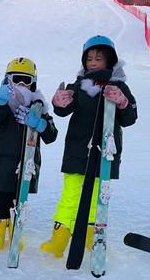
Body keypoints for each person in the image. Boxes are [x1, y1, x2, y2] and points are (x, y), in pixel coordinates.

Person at [40, 35, 138, 258]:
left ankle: (90, 237)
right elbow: (64, 110)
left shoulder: (119, 86)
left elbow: (130, 117)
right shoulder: (79, 85)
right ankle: (60, 237)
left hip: (105, 151)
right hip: (77, 149)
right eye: (89, 58)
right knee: (71, 194)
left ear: (110, 60)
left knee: (96, 196)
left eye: (99, 58)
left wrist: (122, 102)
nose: (93, 63)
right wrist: (60, 102)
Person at [0, 57, 58, 252]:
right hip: (3, 159)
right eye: (16, 79)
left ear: (33, 82)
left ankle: (16, 232)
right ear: (7, 80)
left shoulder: (38, 106)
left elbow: (52, 135)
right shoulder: (5, 104)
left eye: (25, 80)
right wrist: (0, 99)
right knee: (1, 198)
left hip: (27, 162)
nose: (21, 84)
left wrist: (39, 123)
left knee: (20, 199)